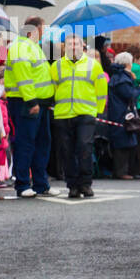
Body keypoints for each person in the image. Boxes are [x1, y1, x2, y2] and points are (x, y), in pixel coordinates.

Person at [50, 34, 108, 199]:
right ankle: (72, 186)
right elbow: (53, 88)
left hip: (86, 113)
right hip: (63, 113)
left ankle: (85, 183)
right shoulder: (57, 66)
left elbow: (101, 89)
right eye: (69, 44)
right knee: (67, 152)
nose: (72, 46)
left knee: (84, 148)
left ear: (83, 47)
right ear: (65, 47)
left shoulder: (93, 65)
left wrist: (98, 111)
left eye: (76, 44)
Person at [3, 17, 54, 198]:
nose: (43, 34)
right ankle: (23, 184)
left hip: (37, 103)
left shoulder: (31, 46)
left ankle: (41, 184)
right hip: (27, 103)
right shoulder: (21, 46)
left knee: (41, 143)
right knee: (26, 143)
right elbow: (24, 76)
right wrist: (32, 101)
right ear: (35, 29)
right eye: (42, 30)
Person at [105, 53, 140, 178]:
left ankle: (125, 171)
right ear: (128, 64)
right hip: (121, 115)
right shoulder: (122, 79)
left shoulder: (118, 76)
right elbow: (129, 95)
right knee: (122, 143)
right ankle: (121, 172)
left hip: (118, 113)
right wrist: (139, 88)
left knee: (125, 142)